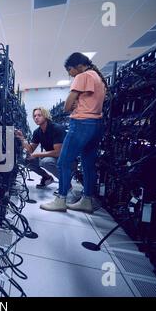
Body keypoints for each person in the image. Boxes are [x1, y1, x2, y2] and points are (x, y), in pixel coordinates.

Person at [40, 52, 107, 213]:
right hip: (96, 124)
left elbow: (67, 106)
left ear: (77, 66)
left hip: (81, 123)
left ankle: (61, 199)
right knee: (88, 164)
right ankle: (87, 200)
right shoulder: (98, 78)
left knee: (63, 162)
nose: (69, 74)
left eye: (69, 70)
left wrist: (74, 103)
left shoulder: (82, 76)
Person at [15, 107, 66, 189]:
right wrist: (22, 138)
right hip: (53, 156)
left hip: (66, 158)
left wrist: (37, 154)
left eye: (39, 115)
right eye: (34, 116)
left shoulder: (56, 128)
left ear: (45, 116)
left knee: (46, 162)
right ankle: (47, 177)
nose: (36, 118)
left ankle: (66, 185)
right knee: (25, 160)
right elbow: (31, 149)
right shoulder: (37, 132)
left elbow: (58, 152)